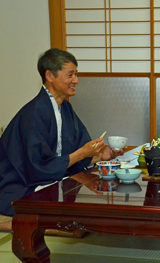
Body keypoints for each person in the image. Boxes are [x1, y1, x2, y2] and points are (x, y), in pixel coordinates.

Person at [0, 48, 125, 216]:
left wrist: (100, 157)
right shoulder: (34, 113)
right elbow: (38, 168)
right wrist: (82, 154)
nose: (76, 80)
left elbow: (72, 157)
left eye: (76, 74)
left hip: (51, 180)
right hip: (22, 185)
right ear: (50, 76)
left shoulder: (65, 108)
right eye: (70, 75)